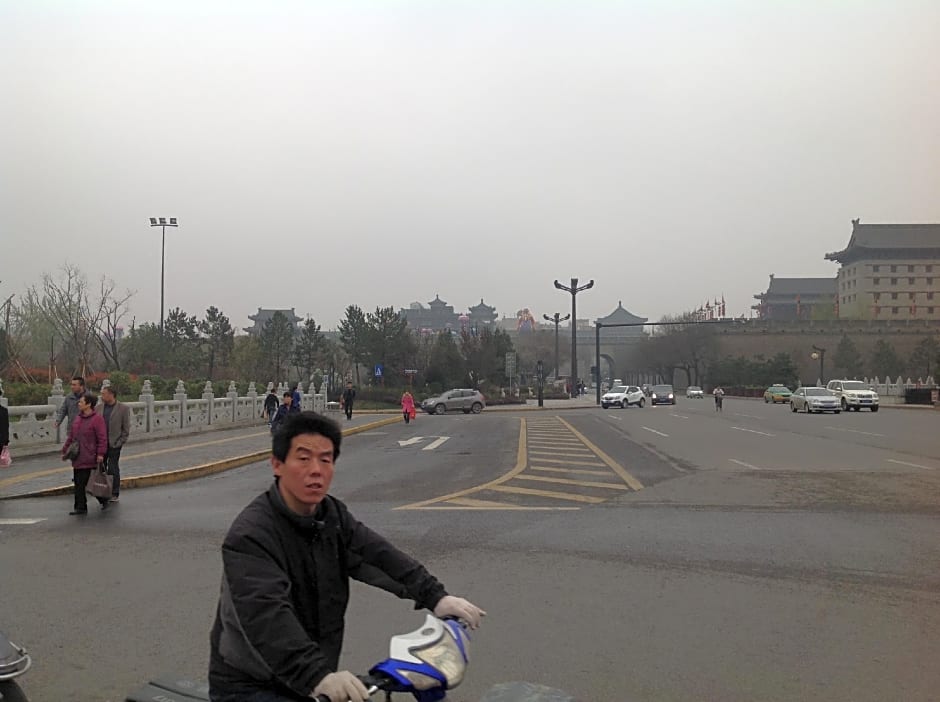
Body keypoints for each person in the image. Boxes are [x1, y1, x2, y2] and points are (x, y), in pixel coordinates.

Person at [208, 412, 485, 702]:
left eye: (325, 460)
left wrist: (436, 597)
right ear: (277, 464)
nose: (316, 470)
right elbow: (266, 616)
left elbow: (379, 556)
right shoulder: (251, 535)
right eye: (303, 459)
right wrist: (316, 676)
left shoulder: (332, 516)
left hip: (310, 677)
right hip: (251, 685)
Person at [61, 392, 108, 515]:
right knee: (78, 483)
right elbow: (72, 436)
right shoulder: (78, 418)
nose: (79, 403)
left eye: (81, 402)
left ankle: (103, 498)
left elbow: (102, 438)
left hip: (90, 456)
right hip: (78, 456)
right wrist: (65, 449)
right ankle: (80, 507)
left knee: (89, 483)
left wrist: (100, 454)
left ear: (89, 404)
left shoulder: (97, 419)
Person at [98, 385, 131, 502]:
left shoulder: (123, 408)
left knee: (112, 468)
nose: (102, 396)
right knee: (100, 468)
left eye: (104, 394)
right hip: (101, 443)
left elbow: (126, 429)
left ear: (111, 395)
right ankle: (102, 491)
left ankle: (114, 492)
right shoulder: (99, 408)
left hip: (114, 443)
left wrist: (119, 442)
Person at [0, 389, 9, 465]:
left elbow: (5, 427)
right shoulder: (4, 410)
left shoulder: (4, 411)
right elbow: (6, 427)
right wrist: (6, 442)